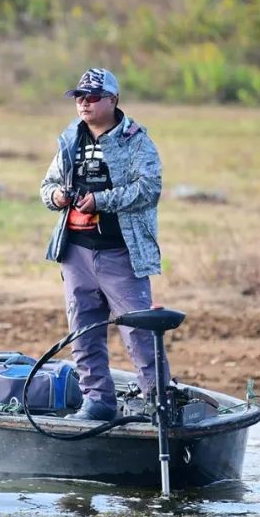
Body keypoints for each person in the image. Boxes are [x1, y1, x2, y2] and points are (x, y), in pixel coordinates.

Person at [40, 68, 169, 421]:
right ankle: (97, 401)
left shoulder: (135, 139)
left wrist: (101, 201)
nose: (84, 103)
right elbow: (46, 187)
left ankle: (159, 403)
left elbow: (149, 189)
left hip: (121, 252)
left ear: (113, 100)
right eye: (79, 97)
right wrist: (57, 195)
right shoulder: (70, 138)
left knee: (139, 331)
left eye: (92, 97)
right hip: (75, 251)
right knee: (83, 330)